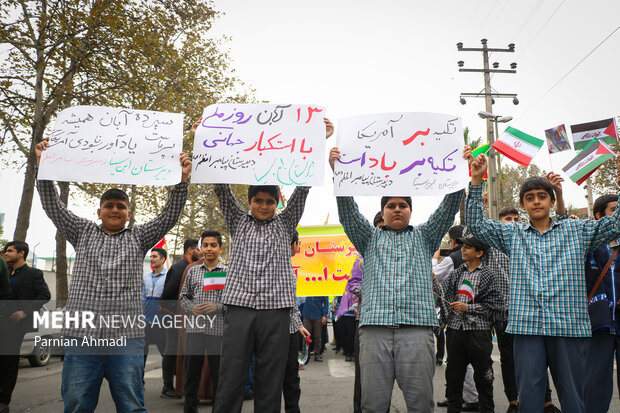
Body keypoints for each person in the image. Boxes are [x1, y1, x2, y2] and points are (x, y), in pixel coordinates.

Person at [35, 138, 190, 412]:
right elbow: (52, 205)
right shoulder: (81, 231)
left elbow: (169, 215)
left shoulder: (140, 237)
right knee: (76, 405)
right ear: (99, 211)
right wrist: (43, 166)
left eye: (120, 206)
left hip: (127, 338)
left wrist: (182, 181)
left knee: (131, 406)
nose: (115, 210)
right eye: (109, 205)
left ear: (128, 214)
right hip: (82, 337)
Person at [466, 153, 620, 412]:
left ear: (551, 200)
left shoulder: (577, 231)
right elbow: (476, 226)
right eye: (529, 198)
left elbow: (615, 223)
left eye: (541, 196)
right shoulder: (511, 233)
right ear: (522, 204)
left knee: (574, 398)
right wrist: (476, 179)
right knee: (530, 398)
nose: (536, 201)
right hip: (527, 329)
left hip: (568, 327)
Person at [329, 145, 471, 412]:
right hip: (374, 332)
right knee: (373, 405)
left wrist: (459, 171)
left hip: (417, 331)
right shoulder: (368, 238)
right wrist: (339, 173)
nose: (397, 209)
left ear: (410, 211)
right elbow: (347, 211)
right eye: (391, 205)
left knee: (420, 405)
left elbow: (448, 206)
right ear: (382, 212)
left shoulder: (425, 236)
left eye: (403, 205)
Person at [212, 118, 333, 413]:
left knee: (270, 381)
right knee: (231, 379)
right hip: (239, 309)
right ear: (250, 201)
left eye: (269, 201)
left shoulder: (285, 223)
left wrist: (319, 141)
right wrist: (206, 137)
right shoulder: (237, 220)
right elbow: (221, 187)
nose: (264, 206)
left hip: (276, 313)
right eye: (258, 200)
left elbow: (303, 187)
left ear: (277, 202)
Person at [439, 235, 503, 413]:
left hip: (479, 333)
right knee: (453, 376)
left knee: (484, 376)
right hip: (454, 330)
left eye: (467, 247)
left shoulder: (488, 275)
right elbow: (443, 291)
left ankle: (487, 409)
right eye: (462, 246)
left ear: (479, 252)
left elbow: (495, 305)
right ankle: (453, 408)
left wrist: (468, 308)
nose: (462, 249)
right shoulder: (457, 273)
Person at [0, 241, 51, 413]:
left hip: (14, 325)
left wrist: (25, 312)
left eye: (9, 251)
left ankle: (3, 401)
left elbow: (45, 295)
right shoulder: (5, 272)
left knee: (8, 362)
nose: (5, 253)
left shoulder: (33, 274)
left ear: (21, 253)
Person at [179, 230, 226, 413]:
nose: (209, 249)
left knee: (218, 376)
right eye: (205, 245)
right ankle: (190, 409)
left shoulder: (228, 272)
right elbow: (183, 297)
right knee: (191, 375)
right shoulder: (192, 272)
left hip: (218, 331)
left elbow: (234, 301)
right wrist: (192, 308)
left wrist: (218, 307)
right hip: (195, 330)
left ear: (220, 248)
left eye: (213, 245)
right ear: (200, 248)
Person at [584, 194, 620, 413]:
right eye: (614, 210)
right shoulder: (587, 248)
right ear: (599, 216)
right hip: (598, 325)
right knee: (595, 387)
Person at [159, 238, 199, 398]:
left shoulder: (191, 268)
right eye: (198, 249)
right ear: (190, 250)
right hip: (173, 315)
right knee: (172, 349)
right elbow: (167, 294)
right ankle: (167, 387)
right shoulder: (180, 268)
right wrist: (177, 311)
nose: (201, 252)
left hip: (184, 316)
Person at [282, 230, 310, 413]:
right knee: (282, 378)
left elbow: (291, 303)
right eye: (298, 243)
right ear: (293, 245)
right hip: (276, 331)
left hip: (291, 330)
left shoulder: (290, 270)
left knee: (290, 377)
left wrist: (299, 325)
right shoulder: (280, 268)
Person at [143, 247, 168, 369]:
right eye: (151, 256)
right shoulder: (146, 277)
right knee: (142, 354)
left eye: (154, 256)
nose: (151, 259)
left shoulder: (169, 276)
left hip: (160, 322)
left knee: (165, 352)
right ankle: (139, 385)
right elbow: (142, 297)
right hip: (145, 322)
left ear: (163, 259)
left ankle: (169, 384)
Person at [302, 296, 329, 362]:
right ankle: (305, 355)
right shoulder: (307, 286)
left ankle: (317, 354)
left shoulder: (323, 288)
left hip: (318, 315)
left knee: (318, 336)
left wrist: (325, 315)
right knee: (306, 336)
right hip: (307, 315)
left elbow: (326, 303)